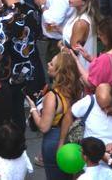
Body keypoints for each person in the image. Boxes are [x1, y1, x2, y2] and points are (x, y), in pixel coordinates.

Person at [26, 51, 82, 180]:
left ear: (59, 72)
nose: (48, 64)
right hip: (72, 138)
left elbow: (44, 127)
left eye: (51, 64)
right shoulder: (77, 89)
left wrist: (33, 108)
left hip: (54, 140)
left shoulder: (53, 96)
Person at [73, 16, 112, 94]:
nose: (99, 37)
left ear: (109, 37)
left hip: (107, 101)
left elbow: (90, 83)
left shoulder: (105, 60)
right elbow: (111, 69)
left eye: (101, 34)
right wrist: (88, 57)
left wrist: (76, 62)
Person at [61, 0, 100, 70]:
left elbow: (71, 54)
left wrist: (60, 45)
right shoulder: (79, 13)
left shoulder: (80, 23)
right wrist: (59, 30)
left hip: (77, 71)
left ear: (84, 2)